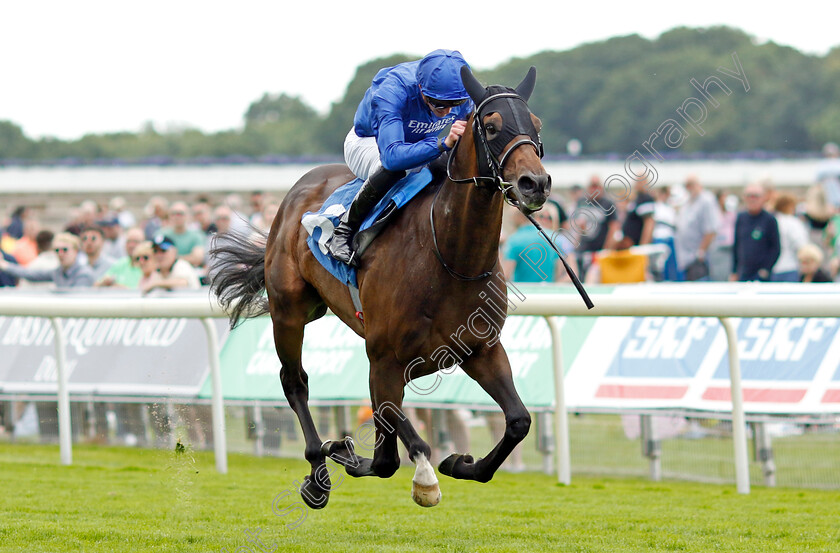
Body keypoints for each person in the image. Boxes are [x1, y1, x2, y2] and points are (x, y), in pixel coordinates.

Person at [327, 49, 474, 265]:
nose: (446, 112)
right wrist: (442, 143)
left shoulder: (459, 92)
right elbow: (392, 157)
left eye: (455, 104)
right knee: (398, 169)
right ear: (421, 88)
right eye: (438, 104)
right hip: (370, 143)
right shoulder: (392, 90)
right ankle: (343, 231)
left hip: (415, 144)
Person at [0, 232, 94, 288]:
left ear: (76, 251)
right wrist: (4, 265)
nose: (60, 254)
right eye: (57, 250)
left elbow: (77, 303)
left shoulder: (84, 274)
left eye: (65, 250)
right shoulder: (57, 272)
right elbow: (30, 274)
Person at [730, 183, 781, 282]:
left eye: (756, 196)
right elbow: (737, 246)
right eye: (749, 196)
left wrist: (766, 269)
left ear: (763, 198)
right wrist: (734, 271)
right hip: (744, 272)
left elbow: (775, 248)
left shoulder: (770, 220)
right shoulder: (741, 218)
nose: (752, 199)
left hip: (761, 276)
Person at [674, 175, 718, 281]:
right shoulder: (688, 202)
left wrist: (701, 252)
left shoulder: (706, 201)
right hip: (687, 258)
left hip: (698, 259)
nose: (689, 188)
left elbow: (711, 229)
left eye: (691, 184)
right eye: (687, 185)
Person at [771, 193, 809, 282]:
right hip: (790, 266)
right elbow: (801, 244)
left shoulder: (772, 220)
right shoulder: (793, 223)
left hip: (772, 268)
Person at [159, 201, 205, 267]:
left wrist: (172, 259)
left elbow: (197, 258)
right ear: (169, 216)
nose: (176, 217)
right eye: (173, 214)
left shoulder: (197, 235)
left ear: (188, 215)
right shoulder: (162, 234)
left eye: (180, 213)